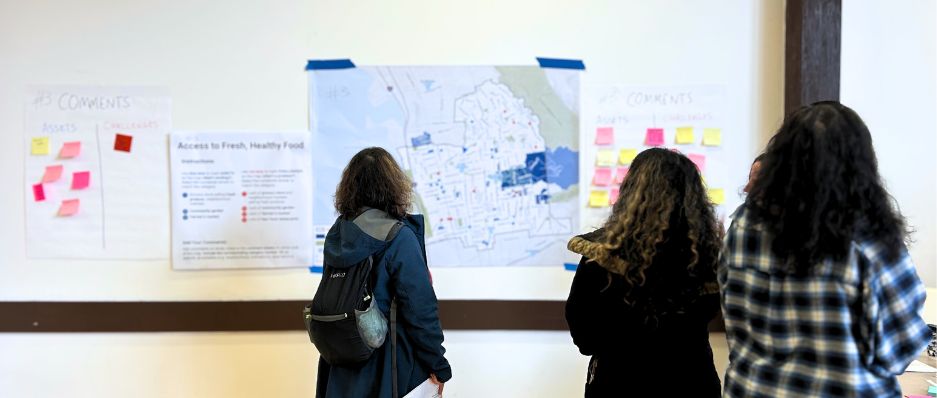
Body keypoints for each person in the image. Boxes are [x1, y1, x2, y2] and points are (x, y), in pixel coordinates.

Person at [720, 102, 931, 397]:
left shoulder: (742, 226)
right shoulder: (870, 240)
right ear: (860, 164)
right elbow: (898, 352)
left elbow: (733, 320)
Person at [565, 148, 723, 397]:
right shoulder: (707, 258)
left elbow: (585, 336)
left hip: (618, 383)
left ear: (631, 192)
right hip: (691, 382)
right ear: (693, 199)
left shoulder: (600, 256)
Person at [316, 147, 451, 398]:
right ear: (393, 186)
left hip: (339, 365)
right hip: (388, 367)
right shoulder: (399, 237)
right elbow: (420, 309)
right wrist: (438, 365)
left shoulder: (337, 235)